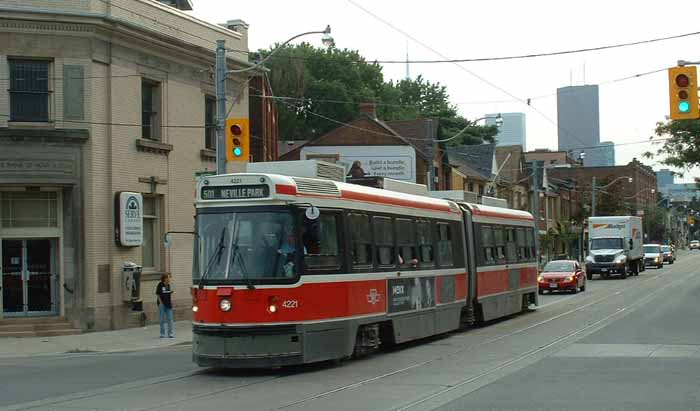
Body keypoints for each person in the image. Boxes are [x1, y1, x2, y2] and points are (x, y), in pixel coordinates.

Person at [155, 273, 174, 338]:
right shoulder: (160, 284)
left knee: (170, 319)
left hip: (168, 303)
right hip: (162, 304)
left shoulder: (168, 285)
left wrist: (170, 294)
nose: (169, 279)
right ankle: (162, 333)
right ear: (165, 278)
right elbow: (158, 294)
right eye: (168, 278)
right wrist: (160, 302)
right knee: (161, 319)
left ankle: (170, 333)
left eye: (169, 278)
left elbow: (168, 294)